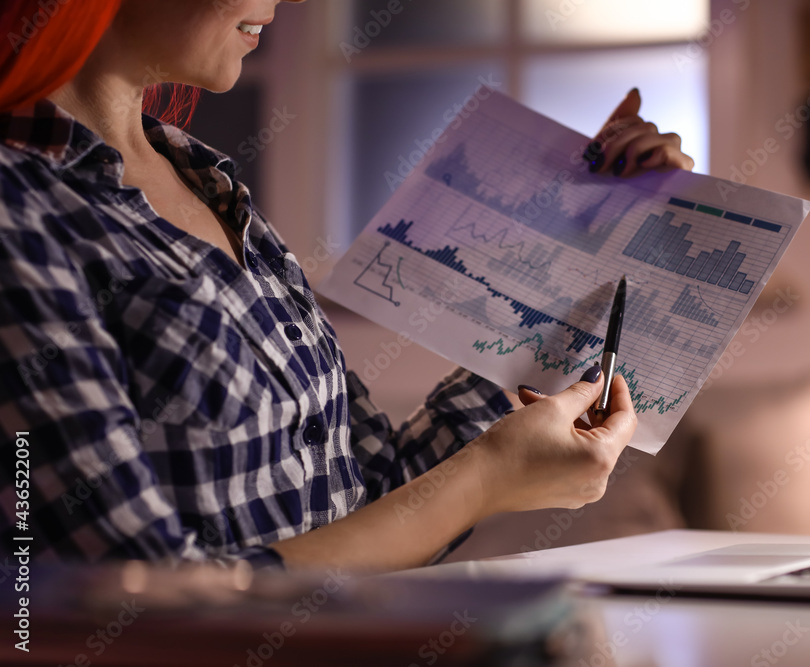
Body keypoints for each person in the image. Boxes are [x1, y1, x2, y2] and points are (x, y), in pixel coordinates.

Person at [0, 0, 694, 572]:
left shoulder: (210, 187)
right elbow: (133, 603)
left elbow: (369, 497)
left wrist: (590, 233)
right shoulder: (17, 210)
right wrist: (482, 479)